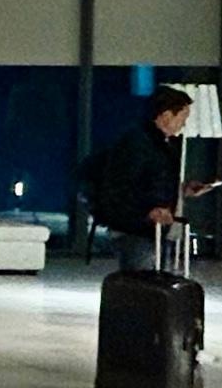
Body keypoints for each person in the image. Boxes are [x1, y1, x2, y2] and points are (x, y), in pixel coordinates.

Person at [85, 88, 208, 268]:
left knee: (146, 278)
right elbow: (123, 186)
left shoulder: (153, 144)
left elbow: (150, 182)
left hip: (148, 229)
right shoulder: (141, 145)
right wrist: (148, 211)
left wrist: (181, 190)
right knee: (142, 278)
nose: (183, 125)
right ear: (166, 116)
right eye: (182, 118)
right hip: (138, 230)